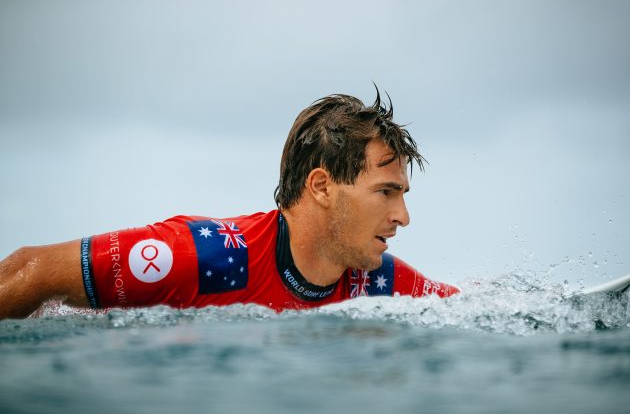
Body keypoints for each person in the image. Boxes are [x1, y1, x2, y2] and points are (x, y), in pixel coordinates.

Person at [0, 89, 459, 320]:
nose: (402, 216)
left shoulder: (379, 281)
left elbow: (480, 311)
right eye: (386, 191)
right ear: (322, 186)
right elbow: (32, 270)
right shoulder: (207, 259)